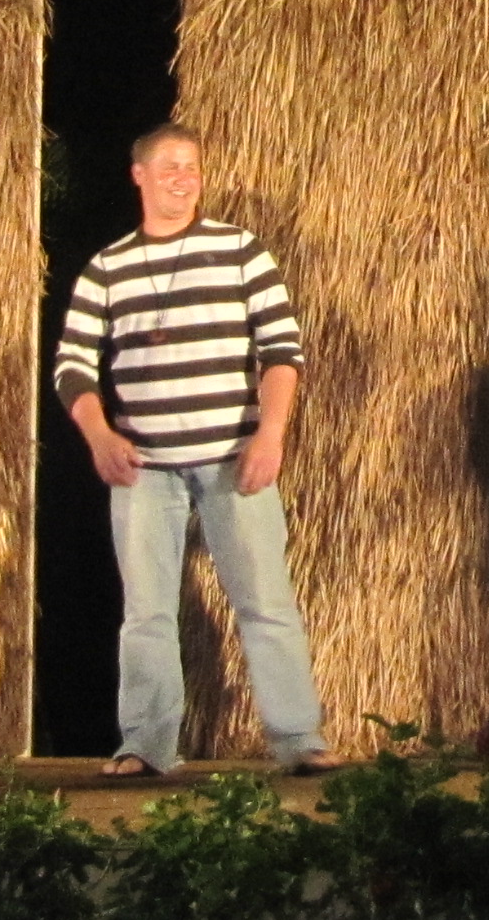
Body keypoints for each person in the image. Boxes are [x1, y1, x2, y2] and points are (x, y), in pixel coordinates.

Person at [55, 124, 340, 779]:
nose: (183, 178)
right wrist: (99, 434)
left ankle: (298, 738)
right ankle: (146, 744)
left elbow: (282, 351)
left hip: (231, 456)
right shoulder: (107, 268)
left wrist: (270, 435)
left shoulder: (239, 250)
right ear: (139, 175)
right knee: (146, 612)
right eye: (169, 166)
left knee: (265, 602)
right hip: (145, 467)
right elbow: (72, 365)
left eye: (192, 167)